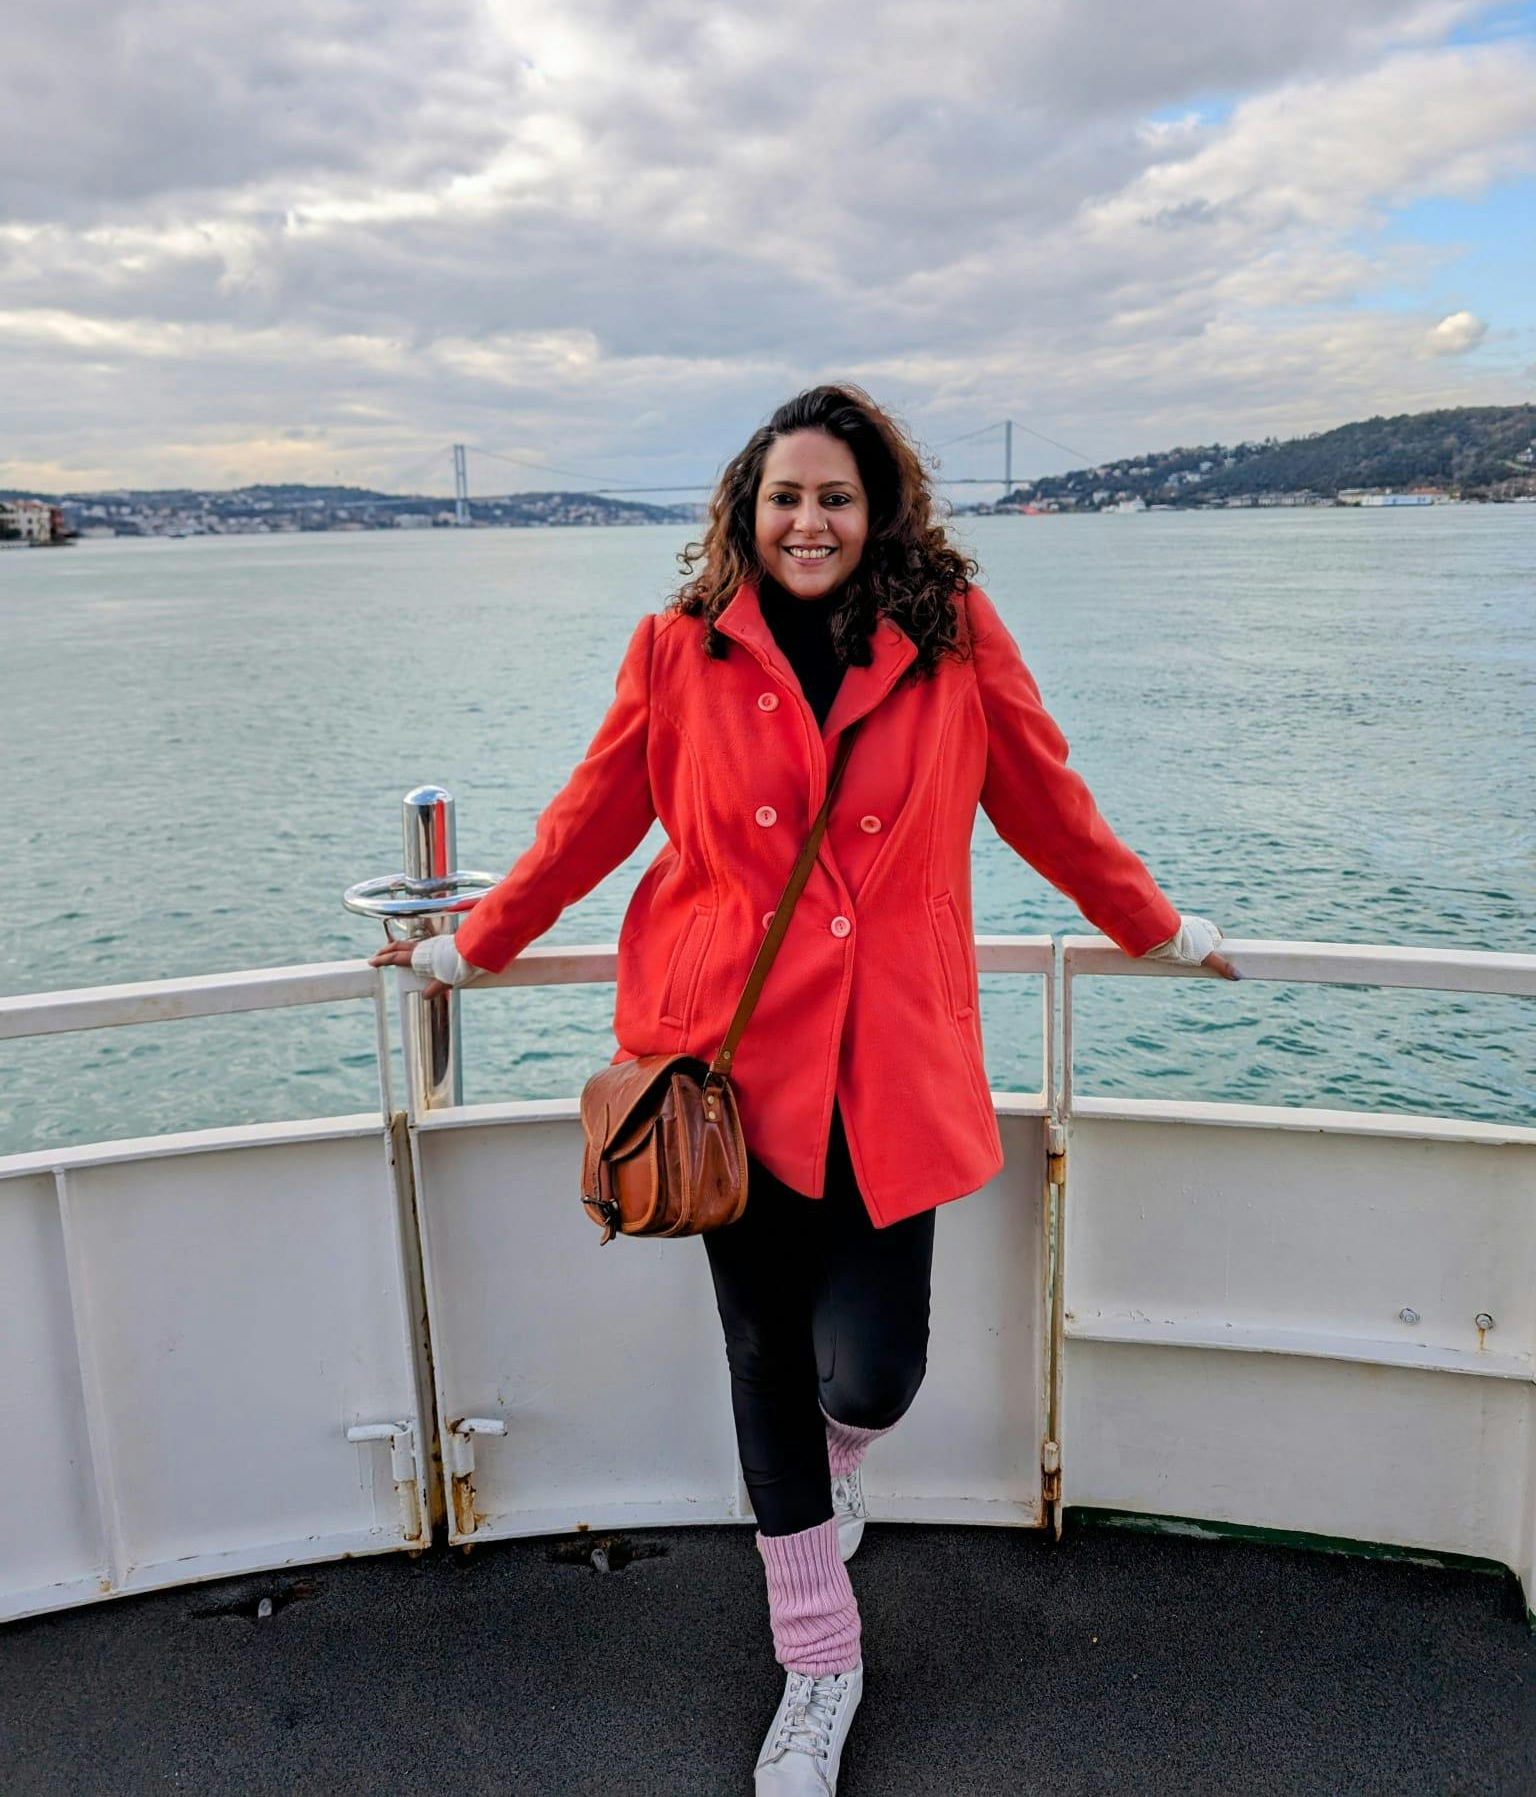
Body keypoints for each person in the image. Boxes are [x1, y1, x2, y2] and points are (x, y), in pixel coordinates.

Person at [371, 382, 1237, 1794]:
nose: (810, 520)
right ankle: (817, 1660)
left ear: (879, 507)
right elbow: (591, 817)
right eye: (786, 497)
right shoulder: (678, 648)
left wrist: (1154, 924)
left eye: (836, 495)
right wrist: (476, 945)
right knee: (768, 1359)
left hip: (893, 1061)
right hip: (728, 1065)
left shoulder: (953, 641)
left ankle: (833, 1474)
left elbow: (1045, 798)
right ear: (746, 510)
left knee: (877, 1371)